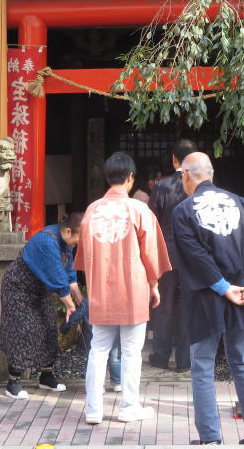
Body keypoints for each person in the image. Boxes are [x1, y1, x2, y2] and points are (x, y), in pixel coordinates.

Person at [171, 152, 244, 445]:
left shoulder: (184, 210)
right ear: (211, 174)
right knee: (240, 358)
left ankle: (211, 438)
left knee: (202, 364)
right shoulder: (243, 204)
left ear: (187, 175)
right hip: (242, 293)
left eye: (181, 176)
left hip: (207, 294)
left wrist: (221, 287)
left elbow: (195, 255)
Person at [75, 152, 171, 424]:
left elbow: (83, 258)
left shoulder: (92, 210)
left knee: (98, 349)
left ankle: (94, 409)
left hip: (101, 290)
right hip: (132, 289)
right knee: (131, 351)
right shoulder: (139, 210)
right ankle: (129, 407)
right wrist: (154, 285)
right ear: (131, 178)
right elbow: (151, 255)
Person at [0, 212, 83, 399]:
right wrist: (71, 307)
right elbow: (58, 280)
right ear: (69, 231)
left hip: (40, 290)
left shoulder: (66, 243)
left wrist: (79, 299)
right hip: (18, 288)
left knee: (48, 329)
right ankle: (13, 381)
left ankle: (46, 376)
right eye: (78, 240)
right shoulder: (47, 241)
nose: (78, 245)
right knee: (23, 331)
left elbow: (70, 275)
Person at [148, 138, 197, 371]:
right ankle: (185, 360)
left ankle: (160, 356)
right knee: (189, 305)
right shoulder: (199, 185)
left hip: (166, 254)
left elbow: (151, 222)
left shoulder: (161, 186)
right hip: (194, 257)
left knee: (164, 306)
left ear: (174, 159)